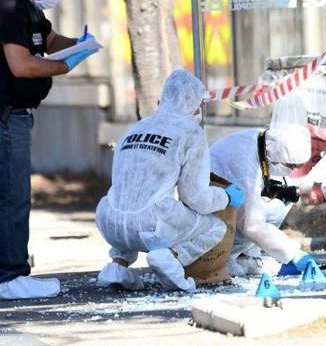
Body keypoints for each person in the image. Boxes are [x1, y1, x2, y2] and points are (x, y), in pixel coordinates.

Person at [0, 0, 98, 301]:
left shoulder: (28, 5)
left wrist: (82, 45)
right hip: (0, 114)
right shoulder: (9, 6)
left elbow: (49, 40)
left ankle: (12, 273)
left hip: (7, 112)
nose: (56, 0)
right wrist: (63, 68)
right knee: (11, 196)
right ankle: (11, 277)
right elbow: (21, 66)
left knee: (12, 193)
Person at [94, 69, 245, 292]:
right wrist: (226, 196)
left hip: (109, 221)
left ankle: (119, 266)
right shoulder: (190, 133)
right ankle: (169, 259)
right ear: (194, 104)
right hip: (151, 228)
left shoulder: (135, 128)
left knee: (132, 204)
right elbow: (195, 198)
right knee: (215, 228)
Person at [209, 124, 313, 277]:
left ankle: (248, 255)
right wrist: (293, 253)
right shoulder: (245, 166)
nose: (291, 170)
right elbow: (252, 225)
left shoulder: (261, 142)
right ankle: (227, 257)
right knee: (257, 216)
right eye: (290, 165)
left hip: (223, 201)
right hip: (213, 217)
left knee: (277, 206)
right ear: (279, 154)